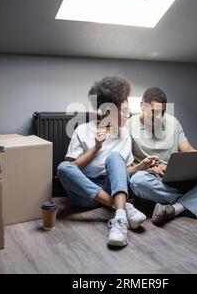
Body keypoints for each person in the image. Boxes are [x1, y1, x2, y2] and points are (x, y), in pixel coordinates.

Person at [57, 76, 157, 247]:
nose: (129, 114)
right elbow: (71, 169)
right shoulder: (83, 130)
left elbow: (123, 171)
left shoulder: (124, 133)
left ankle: (119, 220)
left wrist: (141, 167)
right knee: (62, 167)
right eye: (124, 110)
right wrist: (95, 148)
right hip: (84, 194)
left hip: (112, 188)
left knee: (114, 157)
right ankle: (124, 208)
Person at [127, 87, 197, 225]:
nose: (159, 117)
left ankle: (177, 208)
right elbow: (128, 169)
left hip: (178, 176)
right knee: (137, 181)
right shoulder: (128, 126)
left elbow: (188, 149)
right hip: (153, 179)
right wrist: (150, 169)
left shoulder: (173, 122)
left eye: (162, 112)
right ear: (142, 106)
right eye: (154, 112)